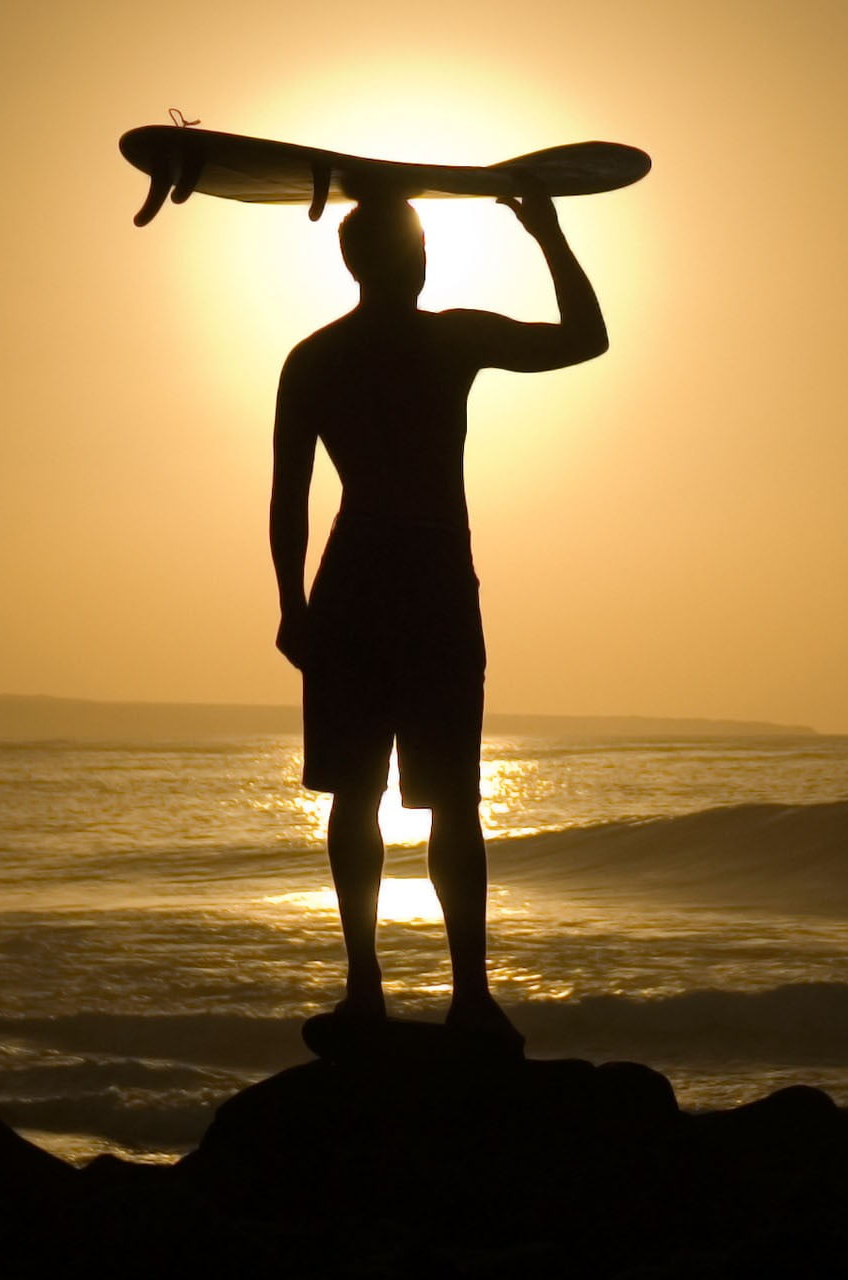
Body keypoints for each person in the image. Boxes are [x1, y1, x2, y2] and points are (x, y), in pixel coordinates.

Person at [269, 178, 605, 1048]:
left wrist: (292, 602)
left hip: (365, 578)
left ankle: (402, 993)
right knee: (404, 795)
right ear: (389, 260)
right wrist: (549, 237)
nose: (423, 262)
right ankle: (425, 994)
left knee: (378, 793)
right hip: (420, 577)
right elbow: (585, 336)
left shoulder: (317, 357)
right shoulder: (438, 341)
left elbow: (289, 501)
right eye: (414, 248)